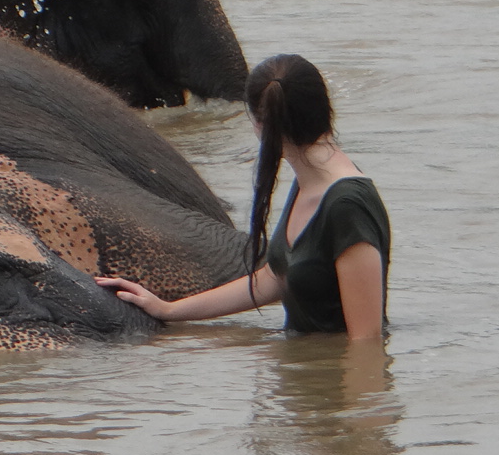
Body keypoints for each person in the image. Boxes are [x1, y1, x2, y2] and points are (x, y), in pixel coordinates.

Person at [96, 54, 392, 340]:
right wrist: (168, 309)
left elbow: (365, 344)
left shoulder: (347, 206)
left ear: (261, 126)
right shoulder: (308, 182)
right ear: (325, 108)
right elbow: (274, 279)